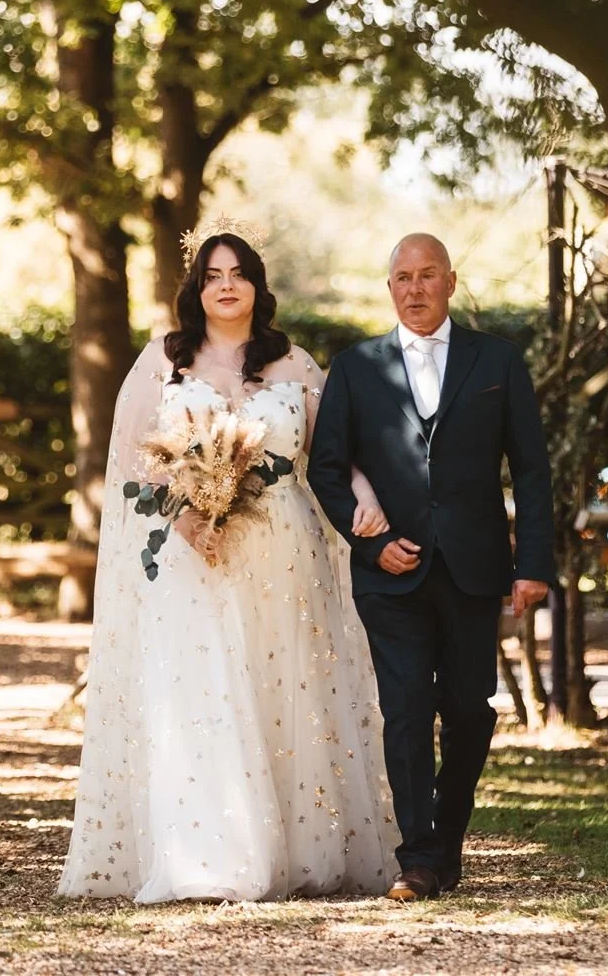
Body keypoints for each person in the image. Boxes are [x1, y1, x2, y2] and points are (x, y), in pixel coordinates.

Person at [57, 221, 400, 903]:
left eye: (237, 272)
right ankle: (210, 855)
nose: (225, 285)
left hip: (283, 551)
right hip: (194, 556)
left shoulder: (293, 363)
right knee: (202, 691)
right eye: (212, 275)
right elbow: (131, 458)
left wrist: (364, 495)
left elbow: (336, 449)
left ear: (256, 284)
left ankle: (296, 849)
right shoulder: (164, 358)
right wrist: (184, 513)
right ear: (196, 287)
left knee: (285, 691)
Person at [307, 233, 555, 901]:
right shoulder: (356, 366)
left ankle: (447, 840)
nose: (414, 288)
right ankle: (418, 856)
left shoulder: (498, 360)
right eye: (402, 277)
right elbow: (325, 467)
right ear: (389, 287)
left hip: (475, 567)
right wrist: (368, 543)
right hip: (390, 570)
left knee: (470, 709)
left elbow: (531, 469)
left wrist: (533, 564)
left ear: (449, 280)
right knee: (408, 707)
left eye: (426, 275)